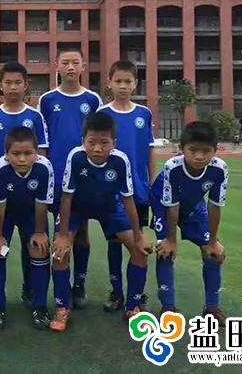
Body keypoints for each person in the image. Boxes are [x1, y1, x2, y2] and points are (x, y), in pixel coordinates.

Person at [50, 112, 152, 332]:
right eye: (92, 142)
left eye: (104, 143)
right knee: (59, 253)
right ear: (83, 141)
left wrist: (138, 235)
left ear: (114, 143)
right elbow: (66, 197)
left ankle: (133, 306)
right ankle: (62, 307)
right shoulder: (76, 157)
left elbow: (128, 199)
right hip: (77, 208)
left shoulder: (120, 160)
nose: (97, 148)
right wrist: (62, 235)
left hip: (109, 207)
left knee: (139, 251)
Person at [38, 48, 102, 309]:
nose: (71, 67)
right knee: (56, 231)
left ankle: (80, 283)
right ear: (57, 66)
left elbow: (99, 138)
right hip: (55, 176)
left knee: (82, 231)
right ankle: (54, 290)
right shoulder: (47, 100)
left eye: (75, 62)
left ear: (83, 66)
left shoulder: (93, 99)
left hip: (84, 176)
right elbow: (42, 140)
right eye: (65, 62)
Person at [0, 61, 48, 306]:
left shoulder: (35, 116)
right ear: (0, 85)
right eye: (8, 83)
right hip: (0, 196)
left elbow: (42, 154)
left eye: (17, 82)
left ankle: (31, 291)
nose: (12, 87)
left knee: (34, 246)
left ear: (26, 85)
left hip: (30, 197)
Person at [150, 121, 229, 325]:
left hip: (193, 204)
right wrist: (170, 240)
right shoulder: (172, 167)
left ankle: (212, 307)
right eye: (193, 150)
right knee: (165, 250)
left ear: (215, 150)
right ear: (181, 148)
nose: (199, 156)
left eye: (206, 151)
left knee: (214, 253)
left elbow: (214, 206)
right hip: (163, 203)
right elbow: (172, 207)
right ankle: (168, 306)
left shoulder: (219, 169)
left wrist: (212, 241)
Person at [97, 60, 155, 312]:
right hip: (112, 192)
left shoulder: (144, 114)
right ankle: (117, 292)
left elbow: (149, 150)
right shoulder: (102, 114)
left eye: (127, 81)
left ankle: (135, 294)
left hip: (139, 191)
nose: (122, 86)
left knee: (138, 242)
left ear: (135, 84)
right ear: (109, 83)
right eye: (118, 81)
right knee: (114, 244)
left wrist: (151, 183)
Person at [0, 127, 54, 330]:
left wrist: (39, 232)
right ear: (6, 154)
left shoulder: (44, 167)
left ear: (37, 153)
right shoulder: (0, 168)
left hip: (31, 213)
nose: (22, 159)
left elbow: (41, 205)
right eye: (16, 154)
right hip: (4, 215)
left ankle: (38, 305)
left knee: (39, 249)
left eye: (28, 153)